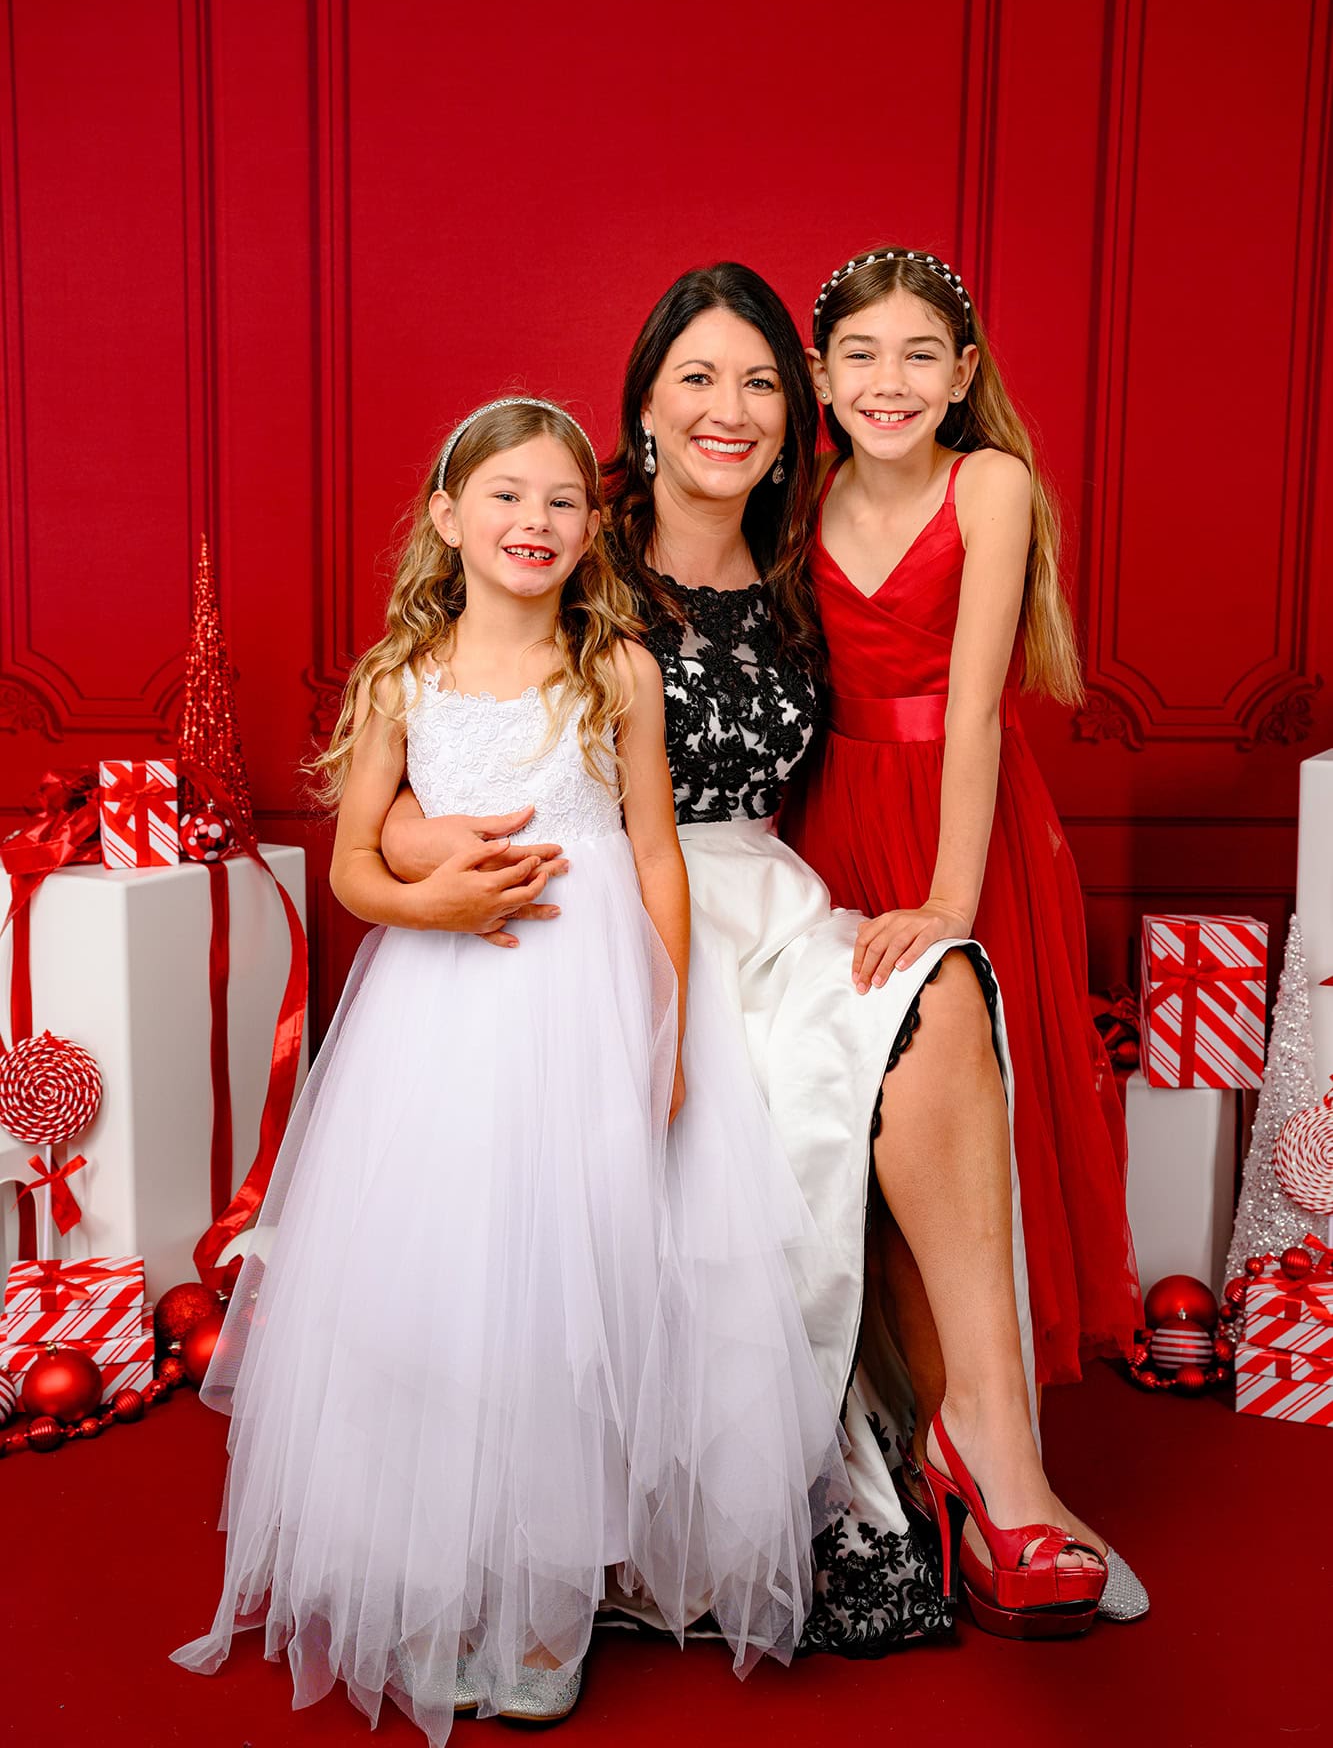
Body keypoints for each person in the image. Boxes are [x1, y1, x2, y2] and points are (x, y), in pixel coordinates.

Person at [384, 270, 1145, 1643]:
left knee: (941, 997)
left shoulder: (804, 542)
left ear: (795, 420)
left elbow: (945, 678)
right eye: (696, 380)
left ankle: (993, 1451)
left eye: (755, 385)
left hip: (770, 898)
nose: (726, 410)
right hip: (608, 914)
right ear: (645, 408)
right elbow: (441, 723)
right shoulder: (580, 539)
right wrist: (422, 873)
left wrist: (950, 888)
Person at [172, 397, 845, 1742]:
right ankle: (433, 1575)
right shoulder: (402, 680)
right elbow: (359, 863)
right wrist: (430, 906)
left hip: (591, 1010)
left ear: (592, 528)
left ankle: (544, 1598)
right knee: (445, 1288)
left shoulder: (620, 671)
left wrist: (660, 1026)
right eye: (505, 497)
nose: (533, 522)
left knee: (574, 1289)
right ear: (446, 518)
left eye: (560, 502)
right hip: (444, 1022)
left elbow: (655, 854)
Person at [781, 246, 1141, 1395]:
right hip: (827, 806)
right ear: (819, 375)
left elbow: (976, 707)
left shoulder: (987, 484)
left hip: (957, 810)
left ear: (961, 372)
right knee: (847, 1097)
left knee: (970, 1083)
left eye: (920, 355)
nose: (890, 380)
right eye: (861, 354)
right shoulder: (798, 493)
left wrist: (947, 896)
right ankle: (876, 1400)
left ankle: (980, 1407)